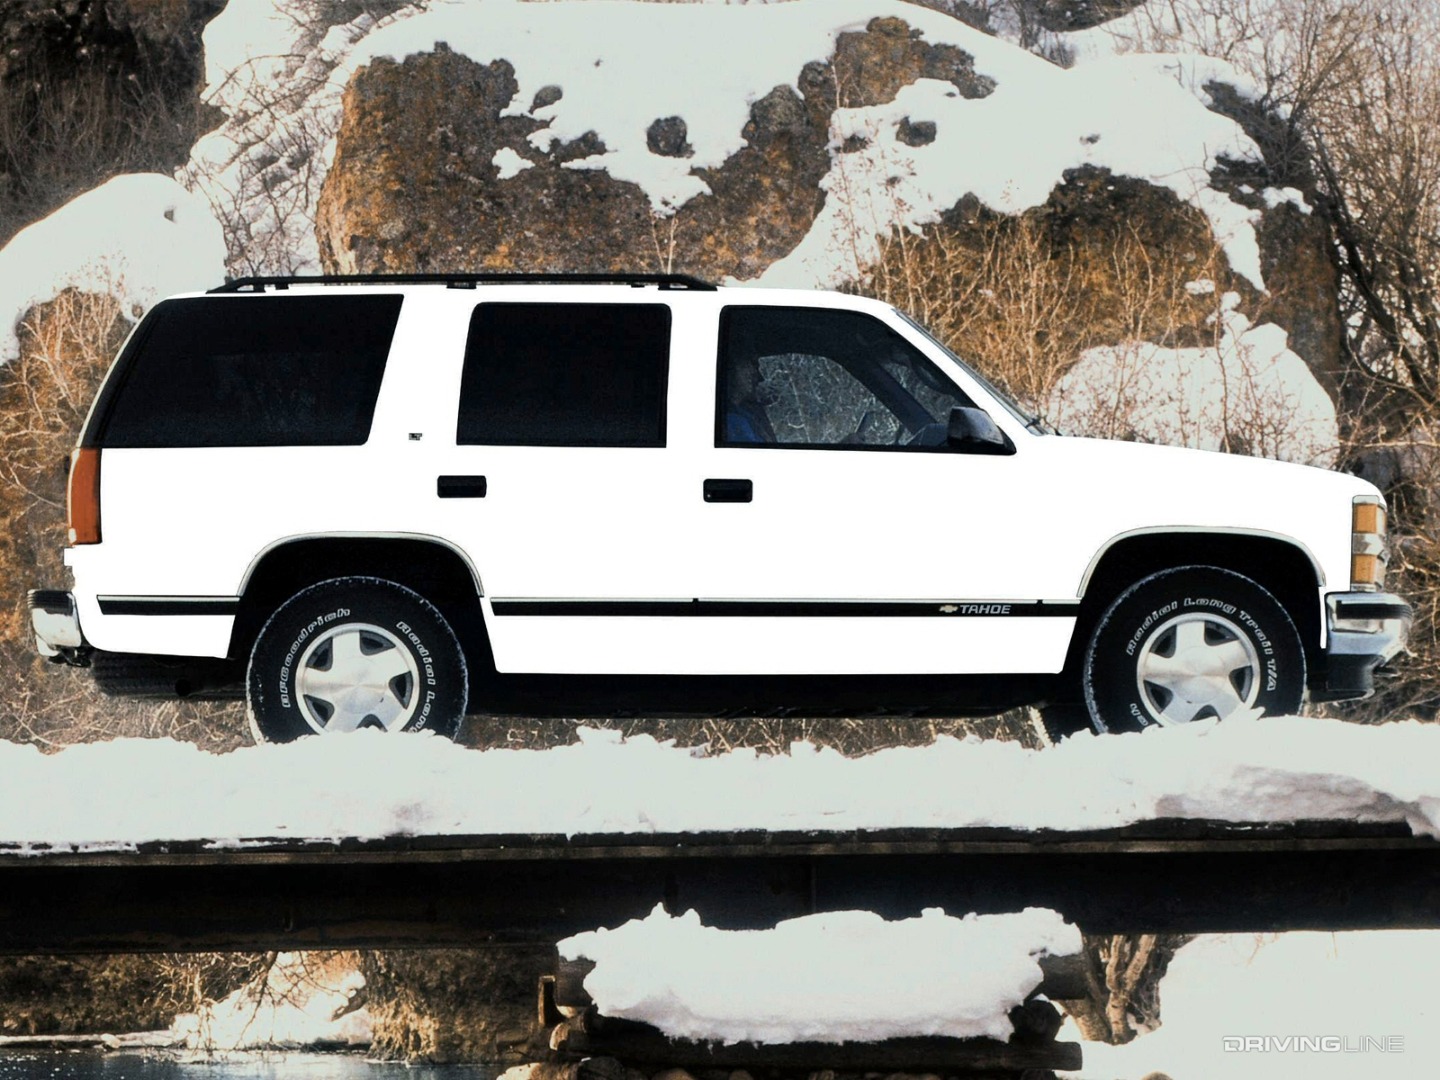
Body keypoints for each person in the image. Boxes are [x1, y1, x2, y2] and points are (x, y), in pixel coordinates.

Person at [724, 353, 775, 443]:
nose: (753, 372)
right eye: (745, 366)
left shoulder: (746, 413)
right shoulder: (732, 421)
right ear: (730, 371)